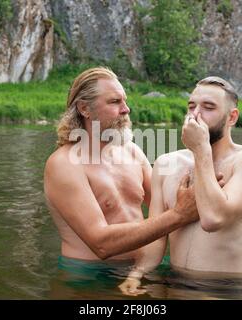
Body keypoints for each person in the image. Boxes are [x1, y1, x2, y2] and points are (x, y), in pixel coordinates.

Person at [43, 67, 208, 285]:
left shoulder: (131, 151)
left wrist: (232, 239)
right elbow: (101, 244)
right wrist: (178, 215)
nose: (126, 109)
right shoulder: (64, 165)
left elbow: (177, 203)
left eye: (125, 101)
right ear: (85, 108)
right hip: (90, 277)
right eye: (114, 102)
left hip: (142, 268)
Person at [119, 76, 242, 297]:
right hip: (174, 284)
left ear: (232, 117)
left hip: (227, 288)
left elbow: (212, 219)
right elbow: (157, 237)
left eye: (208, 107)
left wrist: (201, 149)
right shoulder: (166, 164)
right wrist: (137, 273)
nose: (195, 114)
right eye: (191, 106)